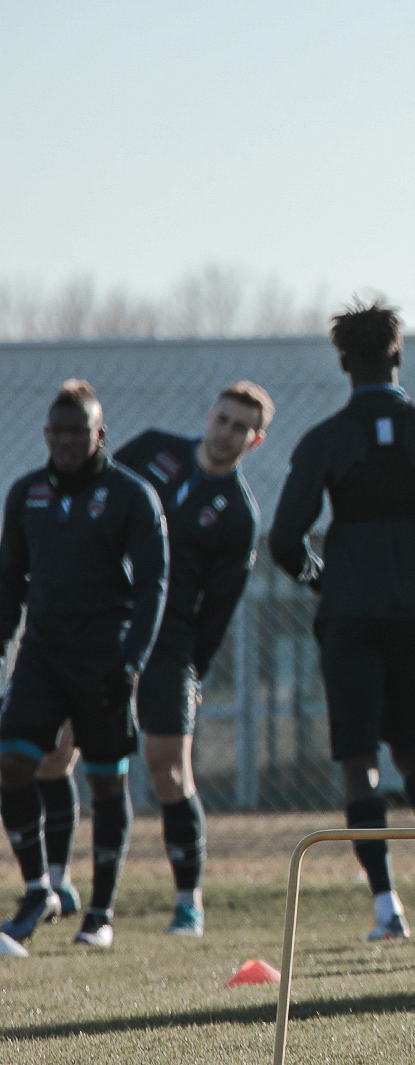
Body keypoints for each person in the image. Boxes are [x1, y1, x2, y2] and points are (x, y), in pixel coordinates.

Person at [30, 383, 273, 936]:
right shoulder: (153, 451)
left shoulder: (238, 514)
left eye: (241, 427)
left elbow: (219, 610)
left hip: (170, 644)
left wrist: (193, 671)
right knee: (54, 754)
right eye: (223, 418)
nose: (227, 432)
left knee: (169, 770)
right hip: (100, 628)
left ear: (254, 441)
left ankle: (189, 901)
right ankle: (57, 880)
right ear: (209, 415)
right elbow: (95, 497)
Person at [270, 302, 415, 942]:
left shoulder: (325, 440)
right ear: (398, 355)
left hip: (349, 608)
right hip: (414, 605)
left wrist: (322, 578)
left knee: (359, 757)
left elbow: (283, 539)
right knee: (414, 745)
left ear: (342, 363)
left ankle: (388, 908)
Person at [0, 381, 168, 950]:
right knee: (13, 764)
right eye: (57, 431)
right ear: (46, 435)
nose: (67, 440)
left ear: (100, 434)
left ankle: (100, 912)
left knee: (106, 782)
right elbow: (8, 585)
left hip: (104, 658)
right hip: (42, 655)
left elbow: (154, 587)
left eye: (79, 431)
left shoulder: (132, 495)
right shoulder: (26, 495)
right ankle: (37, 890)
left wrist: (132, 662)